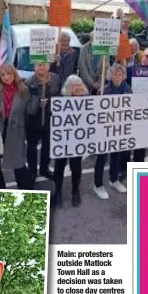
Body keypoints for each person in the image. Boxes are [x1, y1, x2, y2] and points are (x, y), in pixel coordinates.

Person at [0, 64, 31, 190]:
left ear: (14, 74)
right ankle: (0, 194)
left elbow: (29, 112)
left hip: (15, 131)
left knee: (19, 166)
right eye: (3, 74)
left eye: (9, 74)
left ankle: (26, 193)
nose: (6, 77)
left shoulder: (23, 90)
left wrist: (38, 100)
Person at [93, 64, 130, 200]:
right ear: (110, 76)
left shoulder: (127, 89)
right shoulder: (105, 90)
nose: (118, 77)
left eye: (120, 74)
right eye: (115, 74)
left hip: (119, 128)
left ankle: (114, 180)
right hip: (105, 128)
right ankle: (98, 185)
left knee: (116, 155)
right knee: (102, 157)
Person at [52, 75, 87, 207]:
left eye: (79, 84)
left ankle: (75, 191)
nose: (77, 87)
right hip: (62, 140)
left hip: (77, 141)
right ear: (68, 88)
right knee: (59, 167)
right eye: (73, 85)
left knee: (76, 167)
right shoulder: (61, 101)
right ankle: (58, 192)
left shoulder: (87, 101)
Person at [26, 62, 60, 183]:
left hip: (49, 118)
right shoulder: (28, 82)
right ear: (34, 67)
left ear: (49, 66)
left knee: (47, 146)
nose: (42, 68)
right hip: (33, 120)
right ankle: (32, 171)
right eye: (39, 65)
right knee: (32, 147)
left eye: (44, 65)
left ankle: (44, 169)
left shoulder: (55, 78)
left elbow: (59, 97)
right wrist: (37, 102)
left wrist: (49, 103)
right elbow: (27, 106)